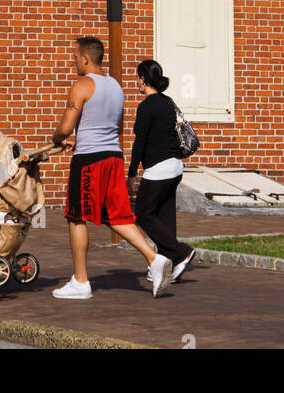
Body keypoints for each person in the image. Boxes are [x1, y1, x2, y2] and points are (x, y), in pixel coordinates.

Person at [50, 36, 173, 299]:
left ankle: (81, 282)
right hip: (113, 157)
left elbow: (66, 127)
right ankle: (155, 259)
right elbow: (116, 128)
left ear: (86, 58)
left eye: (75, 56)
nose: (73, 60)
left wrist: (57, 139)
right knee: (117, 216)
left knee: (76, 216)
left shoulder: (82, 84)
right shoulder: (117, 88)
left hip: (89, 160)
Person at [127, 60, 195, 282]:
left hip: (158, 168)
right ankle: (170, 264)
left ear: (144, 79)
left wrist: (131, 173)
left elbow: (140, 142)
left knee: (144, 214)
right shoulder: (167, 102)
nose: (137, 81)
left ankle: (180, 252)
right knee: (165, 219)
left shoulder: (146, 106)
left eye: (138, 77)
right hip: (176, 167)